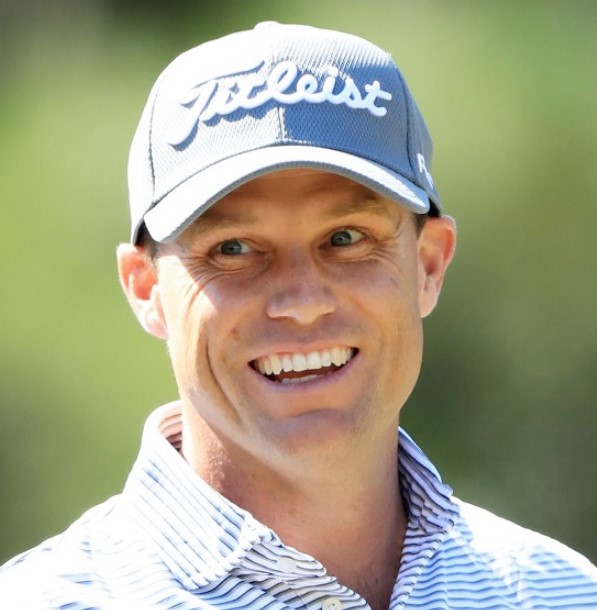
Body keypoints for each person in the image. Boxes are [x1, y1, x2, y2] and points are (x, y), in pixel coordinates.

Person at [1, 21, 596, 610]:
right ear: (145, 286)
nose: (302, 301)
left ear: (429, 265)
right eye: (233, 248)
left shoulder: (562, 594)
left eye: (346, 238)